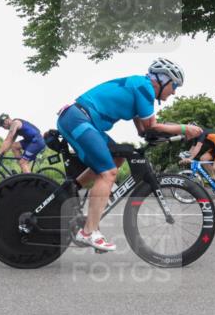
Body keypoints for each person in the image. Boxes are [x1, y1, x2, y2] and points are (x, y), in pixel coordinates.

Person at [56, 58, 202, 252]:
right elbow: (152, 126)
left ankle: (74, 187)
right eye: (174, 86)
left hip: (82, 119)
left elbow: (144, 131)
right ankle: (88, 232)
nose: (174, 92)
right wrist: (184, 129)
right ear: (163, 80)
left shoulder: (139, 87)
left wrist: (166, 135)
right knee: (108, 173)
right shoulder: (145, 88)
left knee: (118, 157)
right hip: (78, 119)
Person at [181, 128, 215, 195]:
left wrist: (190, 158)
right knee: (203, 158)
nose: (188, 135)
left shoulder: (202, 134)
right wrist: (185, 158)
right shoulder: (196, 137)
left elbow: (198, 147)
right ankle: (213, 178)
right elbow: (192, 149)